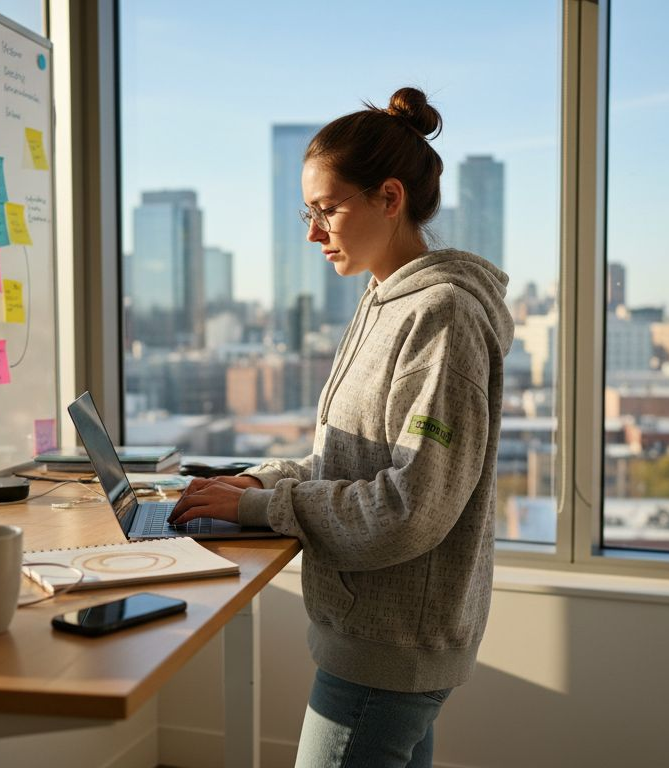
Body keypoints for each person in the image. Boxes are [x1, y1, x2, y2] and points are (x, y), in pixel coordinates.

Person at [169, 86, 513, 768]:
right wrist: (253, 483)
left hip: (388, 645)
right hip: (377, 634)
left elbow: (409, 509)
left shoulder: (440, 316)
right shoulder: (383, 300)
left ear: (390, 198)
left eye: (328, 211)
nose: (312, 233)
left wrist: (266, 507)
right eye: (308, 212)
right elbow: (343, 461)